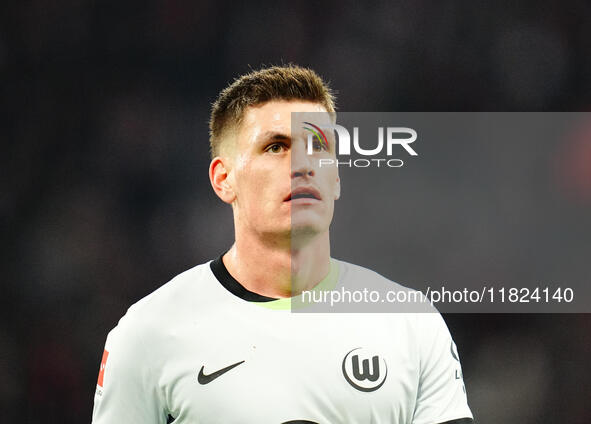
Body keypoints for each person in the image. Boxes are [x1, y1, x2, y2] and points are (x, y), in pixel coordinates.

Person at [92, 65, 474, 424]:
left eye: (318, 146)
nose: (303, 164)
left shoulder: (411, 324)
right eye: (276, 147)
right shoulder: (148, 333)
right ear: (224, 179)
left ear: (337, 179)